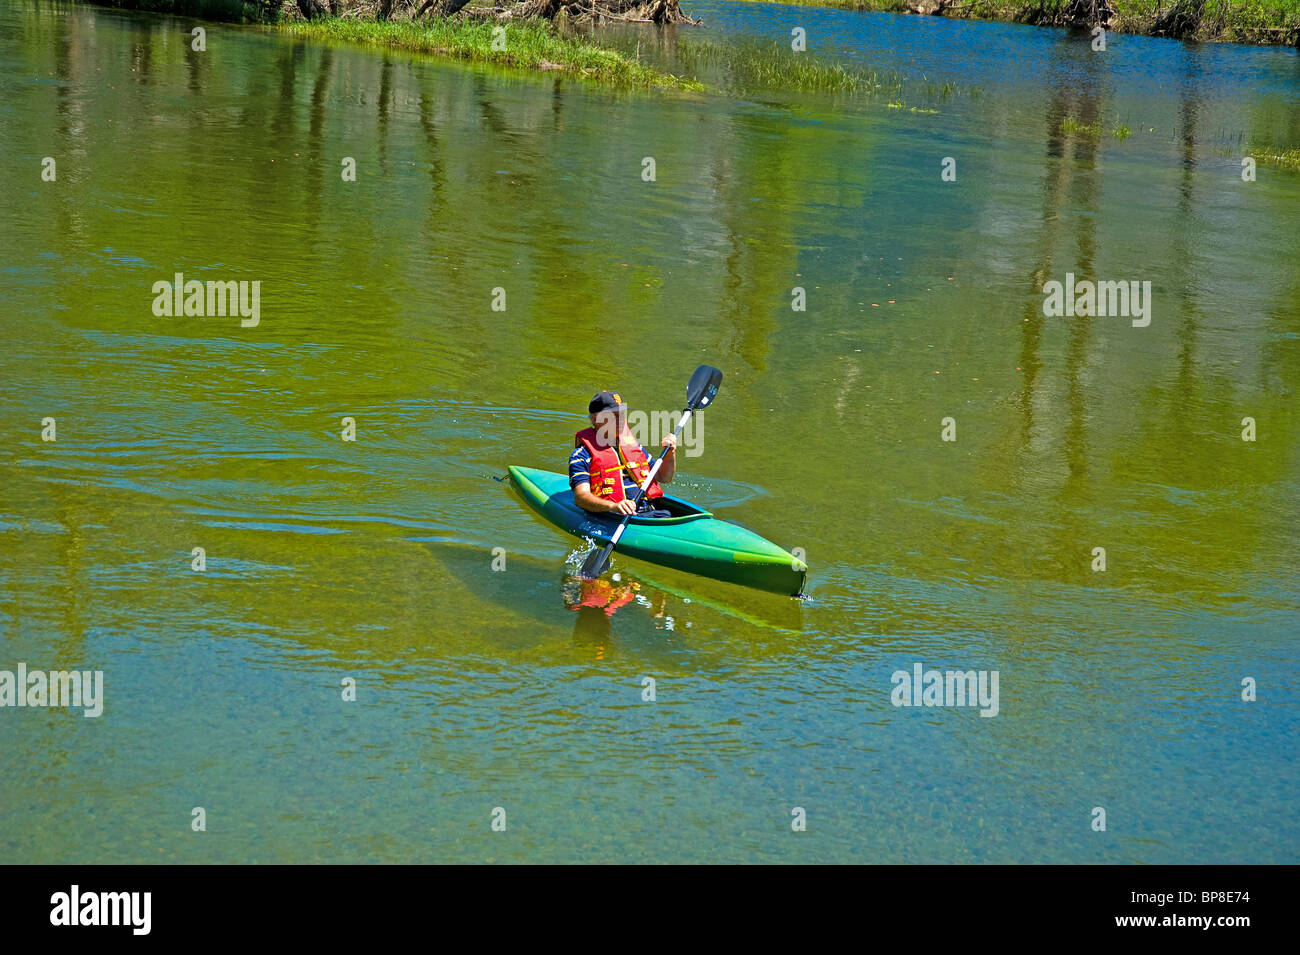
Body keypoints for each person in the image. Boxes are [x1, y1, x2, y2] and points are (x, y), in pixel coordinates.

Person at [570, 391, 677, 516]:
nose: (620, 420)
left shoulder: (634, 447)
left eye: (622, 415)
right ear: (595, 419)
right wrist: (613, 506)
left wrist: (670, 452)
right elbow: (581, 498)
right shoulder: (581, 455)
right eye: (614, 415)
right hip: (615, 516)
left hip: (650, 511)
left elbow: (664, 477)